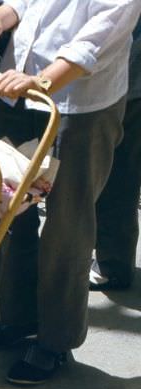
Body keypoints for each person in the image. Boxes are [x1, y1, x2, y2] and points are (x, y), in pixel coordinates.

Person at [0, 0, 141, 385]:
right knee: (9, 212)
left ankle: (55, 341)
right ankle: (17, 319)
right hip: (14, 94)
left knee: (66, 226)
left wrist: (42, 81)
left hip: (80, 106)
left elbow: (96, 40)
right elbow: (18, 5)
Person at [91, 20, 141, 292]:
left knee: (118, 175)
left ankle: (112, 266)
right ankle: (112, 262)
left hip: (124, 77)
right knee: (120, 173)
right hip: (125, 74)